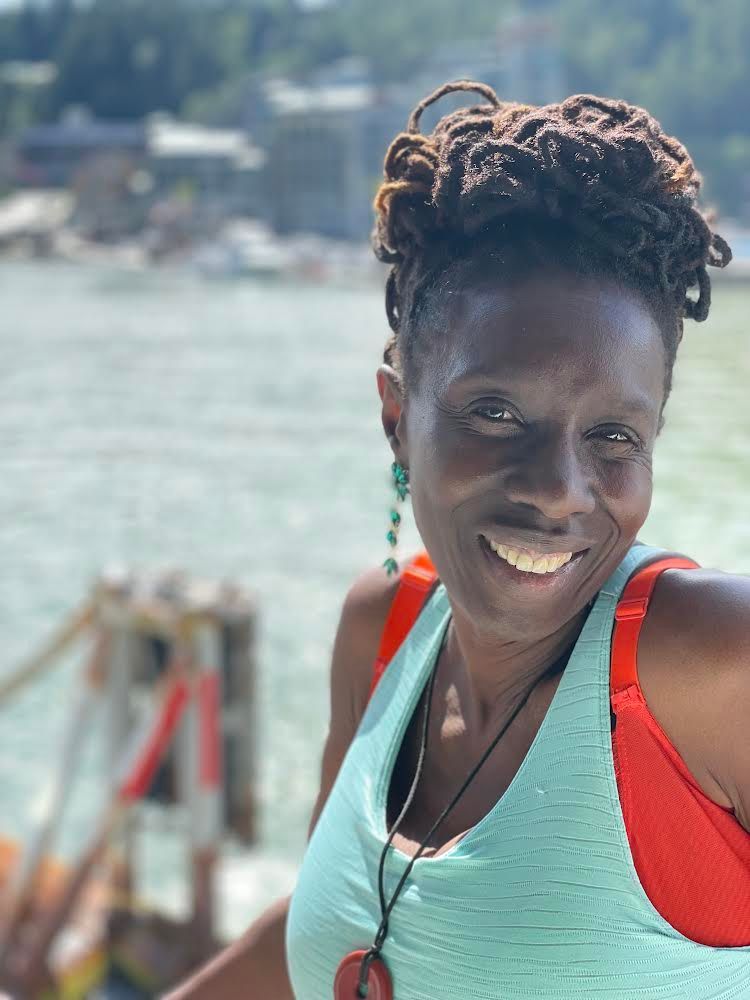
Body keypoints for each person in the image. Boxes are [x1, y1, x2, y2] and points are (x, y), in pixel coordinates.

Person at [168, 80, 750, 999]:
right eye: (497, 412)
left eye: (613, 436)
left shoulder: (710, 666)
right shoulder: (385, 630)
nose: (559, 490)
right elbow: (328, 928)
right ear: (398, 418)